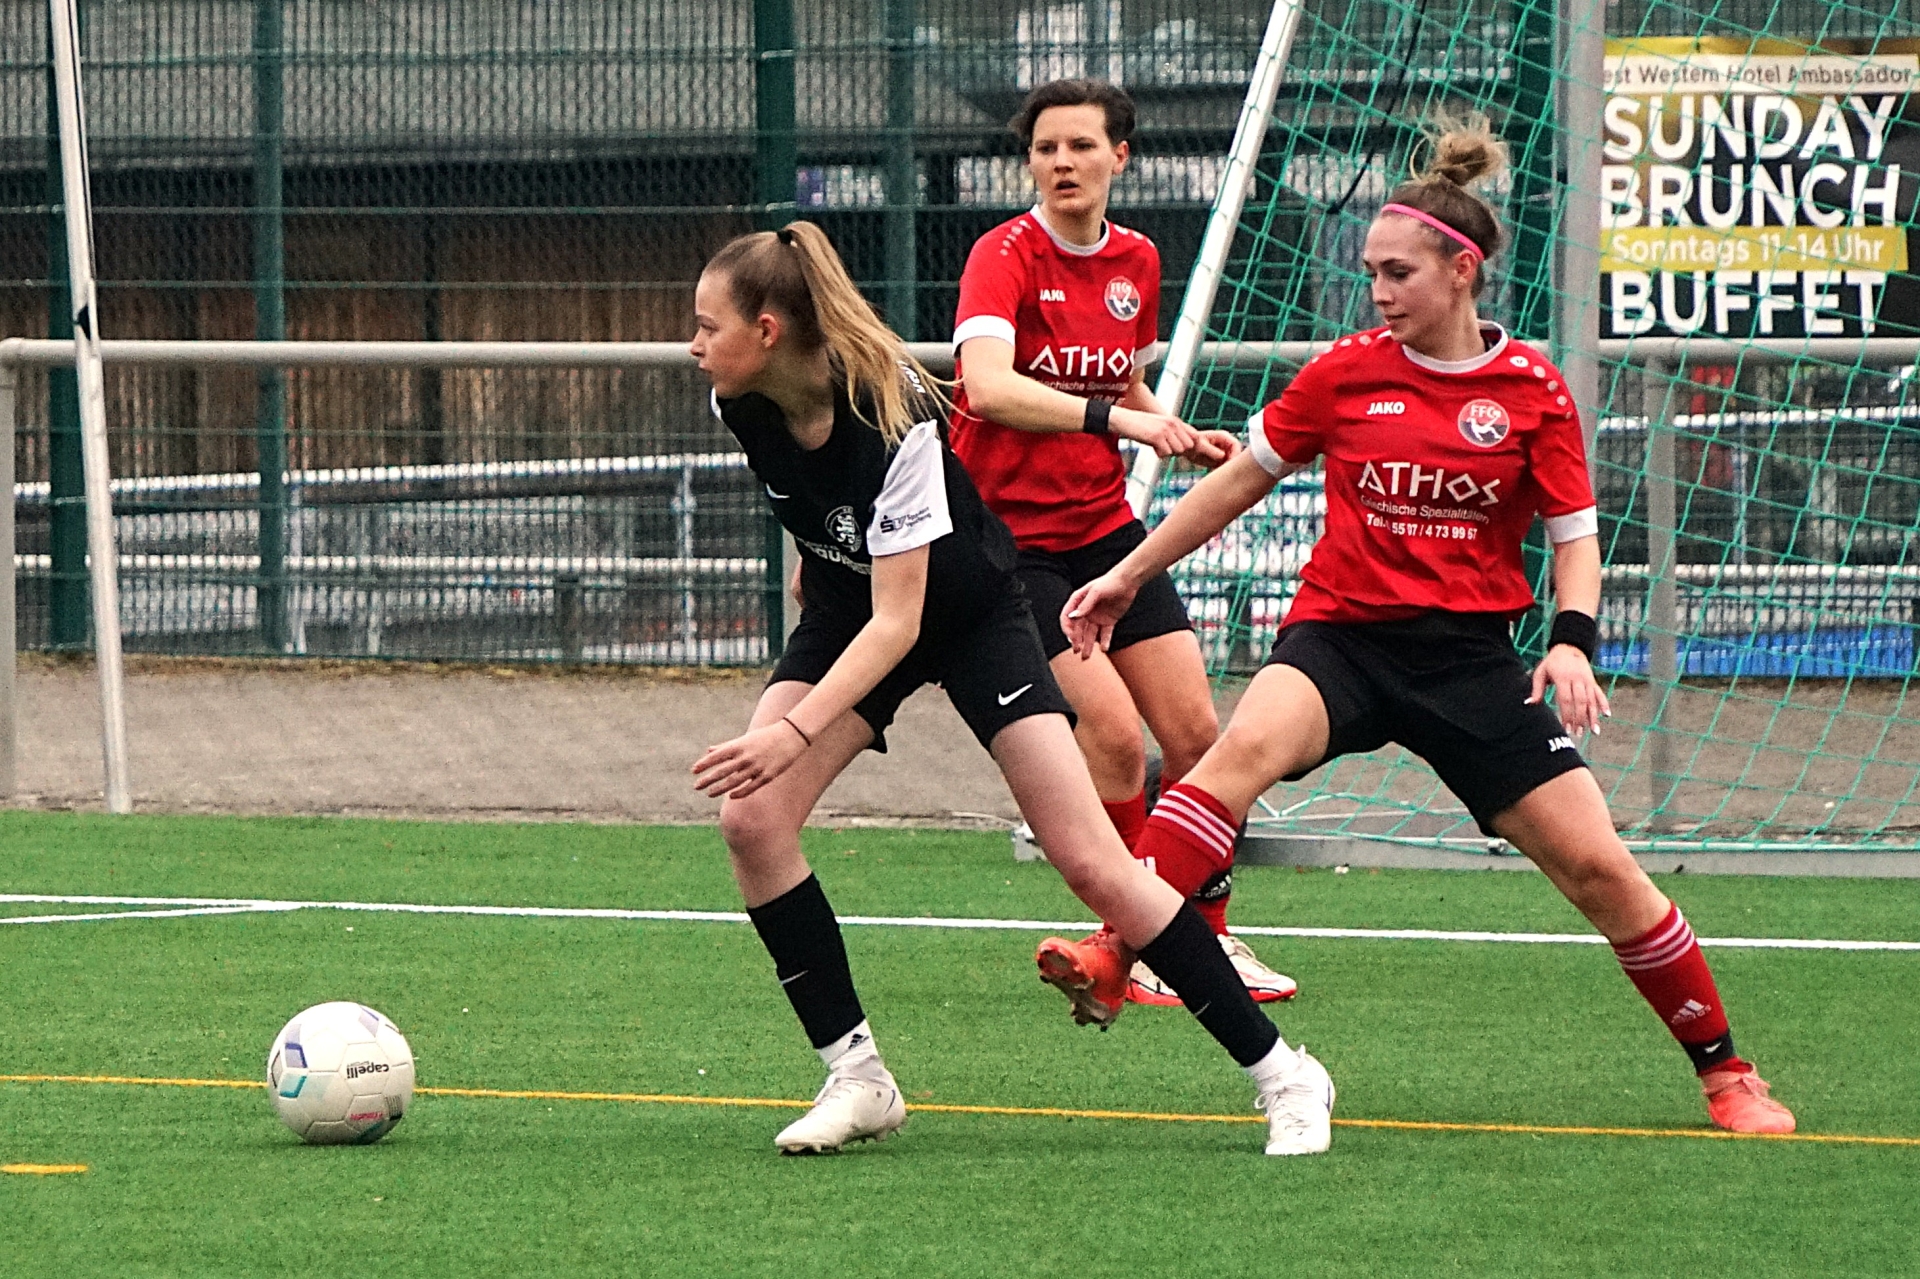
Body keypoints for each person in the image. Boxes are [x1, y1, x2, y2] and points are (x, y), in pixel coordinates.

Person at [1057, 120, 1795, 1135]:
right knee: (1234, 755)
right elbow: (1235, 482)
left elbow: (1576, 538)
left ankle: (1727, 1073)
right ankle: (1114, 948)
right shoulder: (1344, 372)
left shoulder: (1530, 390)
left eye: (1397, 272)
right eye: (1371, 272)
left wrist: (1572, 639)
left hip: (1469, 662)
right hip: (1342, 638)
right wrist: (1125, 575)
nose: (1378, 291)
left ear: (1462, 271)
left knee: (1599, 867)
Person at [686, 220, 1335, 1157]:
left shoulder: (896, 415)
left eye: (708, 326)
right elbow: (818, 509)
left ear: (769, 331)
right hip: (849, 609)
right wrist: (812, 568)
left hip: (967, 615)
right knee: (753, 821)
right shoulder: (737, 398)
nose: (693, 344)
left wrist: (791, 732)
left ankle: (1285, 1072)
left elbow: (900, 623)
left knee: (1093, 862)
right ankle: (859, 1078)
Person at [950, 77, 1295, 1005]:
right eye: (1045, 148)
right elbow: (988, 387)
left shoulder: (1136, 259)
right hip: (1010, 545)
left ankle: (1206, 938)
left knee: (1197, 735)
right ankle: (1134, 939)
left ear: (1120, 157)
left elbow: (1123, 385)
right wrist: (1123, 421)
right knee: (1108, 734)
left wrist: (1174, 431)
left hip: (1106, 530)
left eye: (1081, 146)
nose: (1062, 162)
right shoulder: (1003, 255)